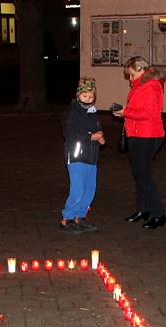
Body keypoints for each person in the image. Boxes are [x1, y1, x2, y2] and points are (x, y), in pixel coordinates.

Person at [113, 56, 166, 229]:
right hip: (139, 134)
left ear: (140, 70)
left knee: (143, 176)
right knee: (141, 174)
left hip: (146, 135)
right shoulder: (141, 85)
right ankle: (143, 209)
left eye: (131, 75)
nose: (130, 79)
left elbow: (149, 113)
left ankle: (158, 213)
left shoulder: (151, 86)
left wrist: (126, 112)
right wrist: (125, 112)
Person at [60, 77, 105, 234]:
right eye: (85, 96)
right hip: (77, 155)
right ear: (78, 95)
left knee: (89, 189)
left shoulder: (92, 112)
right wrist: (91, 137)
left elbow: (96, 128)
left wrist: (100, 137)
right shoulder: (72, 113)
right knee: (78, 189)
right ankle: (68, 218)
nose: (88, 99)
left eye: (91, 96)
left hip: (91, 157)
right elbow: (71, 134)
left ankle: (80, 215)